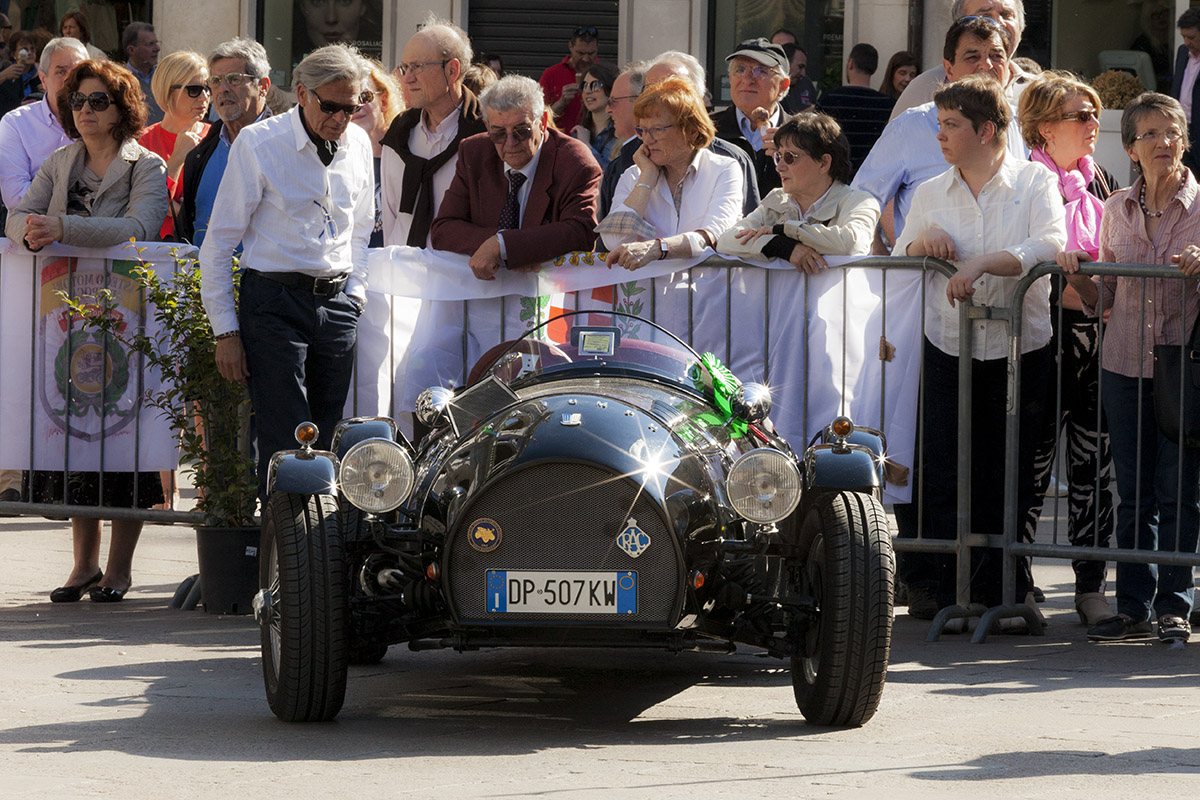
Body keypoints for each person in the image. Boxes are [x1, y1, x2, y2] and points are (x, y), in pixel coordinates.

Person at [894, 74, 1066, 620]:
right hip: (949, 344)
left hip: (1022, 346)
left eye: (951, 125)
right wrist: (924, 242)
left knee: (1008, 469)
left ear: (986, 129)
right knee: (944, 466)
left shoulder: (1034, 182)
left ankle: (1005, 590)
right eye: (939, 124)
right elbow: (901, 253)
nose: (940, 135)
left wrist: (983, 263)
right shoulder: (929, 192)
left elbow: (1052, 242)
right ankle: (943, 589)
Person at [4, 59, 169, 603]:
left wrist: (63, 228)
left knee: (126, 443)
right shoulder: (59, 160)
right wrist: (28, 231)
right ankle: (82, 567)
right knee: (75, 440)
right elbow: (17, 213)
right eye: (77, 101)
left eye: (98, 101)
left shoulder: (146, 165)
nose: (85, 111)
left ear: (123, 108)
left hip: (128, 322)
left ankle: (119, 570)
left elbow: (139, 227)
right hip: (63, 320)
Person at [199, 44, 374, 502]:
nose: (341, 117)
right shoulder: (260, 144)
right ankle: (286, 556)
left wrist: (354, 297)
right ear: (301, 93)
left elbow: (360, 231)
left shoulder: (358, 142)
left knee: (329, 435)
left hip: (336, 304)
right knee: (287, 438)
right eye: (331, 106)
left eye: (352, 107)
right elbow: (217, 246)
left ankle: (324, 552)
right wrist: (225, 333)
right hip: (273, 301)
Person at [1061, 93, 1200, 643]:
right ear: (1131, 149)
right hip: (1122, 365)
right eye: (1151, 135)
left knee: (1178, 492)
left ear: (1185, 140)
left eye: (1172, 133)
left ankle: (1175, 606)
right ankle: (1134, 607)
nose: (1164, 143)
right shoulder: (1115, 208)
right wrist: (1074, 273)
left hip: (1183, 370)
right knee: (1135, 494)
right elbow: (1104, 297)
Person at [1016, 71, 1118, 627]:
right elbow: (1032, 261)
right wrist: (1076, 284)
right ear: (1045, 127)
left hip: (1096, 339)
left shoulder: (1096, 177)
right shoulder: (1028, 179)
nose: (1093, 123)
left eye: (1095, 113)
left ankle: (1089, 586)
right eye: (1082, 115)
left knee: (1094, 466)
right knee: (1032, 465)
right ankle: (1021, 582)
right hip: (1042, 338)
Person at [854, 15, 1025, 251]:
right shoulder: (911, 126)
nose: (986, 65)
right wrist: (882, 264)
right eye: (972, 56)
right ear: (949, 70)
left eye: (996, 56)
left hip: (1007, 286)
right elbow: (860, 201)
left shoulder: (1024, 126)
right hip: (929, 285)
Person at [430, 74, 601, 277]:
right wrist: (501, 245)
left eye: (522, 131)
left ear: (543, 123)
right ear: (487, 126)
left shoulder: (574, 161)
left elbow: (581, 232)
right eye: (499, 133)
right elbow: (443, 229)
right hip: (487, 294)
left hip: (549, 296)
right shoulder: (474, 152)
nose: (510, 142)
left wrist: (505, 246)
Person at [598, 76, 743, 270]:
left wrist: (659, 248)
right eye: (642, 130)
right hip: (648, 297)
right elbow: (614, 241)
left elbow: (716, 233)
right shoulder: (634, 175)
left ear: (691, 130)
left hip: (707, 296)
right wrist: (647, 179)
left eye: (657, 130)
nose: (647, 140)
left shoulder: (723, 169)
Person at [601, 52, 759, 218]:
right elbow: (609, 240)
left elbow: (742, 231)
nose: (659, 96)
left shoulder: (730, 160)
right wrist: (645, 181)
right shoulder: (626, 165)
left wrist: (660, 245)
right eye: (650, 89)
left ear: (695, 99)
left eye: (673, 89)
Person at [717, 112, 879, 267]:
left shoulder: (859, 201)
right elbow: (726, 241)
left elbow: (852, 244)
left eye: (789, 157)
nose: (779, 167)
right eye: (778, 157)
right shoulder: (776, 200)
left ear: (824, 163)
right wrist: (780, 246)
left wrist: (783, 230)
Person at [381, 15, 485, 248]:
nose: (407, 78)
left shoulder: (487, 136)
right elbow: (391, 217)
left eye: (418, 67)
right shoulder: (399, 134)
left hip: (459, 276)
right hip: (403, 274)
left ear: (452, 70)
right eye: (404, 67)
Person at [176, 38, 272, 246]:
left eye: (234, 79)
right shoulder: (200, 153)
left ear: (263, 86)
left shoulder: (284, 147)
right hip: (203, 276)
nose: (223, 89)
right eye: (216, 81)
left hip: (260, 277)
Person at [889, 0, 1029, 122]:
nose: (998, 23)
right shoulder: (924, 88)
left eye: (1006, 14)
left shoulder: (1036, 91)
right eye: (985, 15)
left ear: (1021, 26)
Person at [139, 50, 210, 240]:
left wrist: (178, 210)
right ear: (168, 90)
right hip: (156, 252)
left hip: (204, 248)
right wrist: (177, 158)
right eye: (194, 89)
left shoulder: (216, 138)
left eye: (208, 88)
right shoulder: (143, 141)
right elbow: (148, 203)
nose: (204, 97)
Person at [711, 37, 791, 195]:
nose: (747, 80)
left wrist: (789, 157)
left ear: (783, 85)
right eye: (740, 70)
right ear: (731, 79)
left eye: (761, 71)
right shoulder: (706, 129)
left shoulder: (800, 134)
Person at [815, 43, 895, 177]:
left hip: (835, 176)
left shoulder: (828, 99)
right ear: (874, 69)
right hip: (873, 178)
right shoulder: (888, 105)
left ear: (850, 63)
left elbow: (814, 140)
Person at [350, 58, 402, 248]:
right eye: (349, 99)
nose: (356, 106)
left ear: (384, 100)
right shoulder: (337, 158)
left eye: (364, 97)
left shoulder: (406, 152)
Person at [539, 24, 598, 133]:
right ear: (570, 46)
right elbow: (538, 118)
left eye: (591, 53)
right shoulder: (551, 74)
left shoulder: (604, 74)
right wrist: (561, 103)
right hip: (560, 143)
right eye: (580, 53)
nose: (585, 59)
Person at [573, 60, 619, 168]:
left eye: (595, 85)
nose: (588, 91)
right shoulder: (578, 134)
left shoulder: (621, 135)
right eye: (584, 85)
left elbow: (614, 176)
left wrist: (586, 146)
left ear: (610, 88)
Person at [1170, 8, 1200, 175]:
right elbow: (1178, 86)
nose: (1187, 42)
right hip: (1181, 128)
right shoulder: (1183, 53)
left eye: (1192, 38)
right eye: (1184, 37)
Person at [0, 30, 45, 116]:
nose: (29, 53)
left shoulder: (41, 76)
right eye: (24, 49)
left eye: (32, 49)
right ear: (14, 54)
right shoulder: (6, 75)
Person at [1130, 1, 1172, 92]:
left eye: (1164, 12)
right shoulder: (1142, 44)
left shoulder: (1176, 39)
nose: (1161, 17)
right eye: (1155, 15)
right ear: (1147, 19)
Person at [779, 43, 817, 113]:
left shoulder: (806, 84)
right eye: (800, 67)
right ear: (786, 63)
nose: (803, 74)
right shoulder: (771, 86)